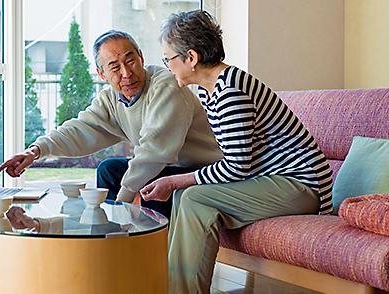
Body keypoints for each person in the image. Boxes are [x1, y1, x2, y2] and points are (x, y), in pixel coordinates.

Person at [139, 11, 334, 294]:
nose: (167, 65)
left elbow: (236, 168)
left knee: (191, 196)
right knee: (188, 197)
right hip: (273, 181)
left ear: (191, 58)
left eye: (169, 58)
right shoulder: (210, 91)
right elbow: (236, 159)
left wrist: (174, 180)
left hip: (301, 186)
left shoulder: (231, 91)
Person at [0, 30, 222, 219]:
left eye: (130, 61)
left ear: (141, 58)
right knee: (109, 169)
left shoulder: (165, 84)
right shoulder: (111, 100)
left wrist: (122, 200)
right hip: (167, 169)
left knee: (151, 179)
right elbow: (80, 129)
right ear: (101, 73)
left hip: (203, 172)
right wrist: (35, 151)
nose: (126, 73)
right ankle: (113, 238)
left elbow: (156, 152)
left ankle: (152, 251)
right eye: (114, 67)